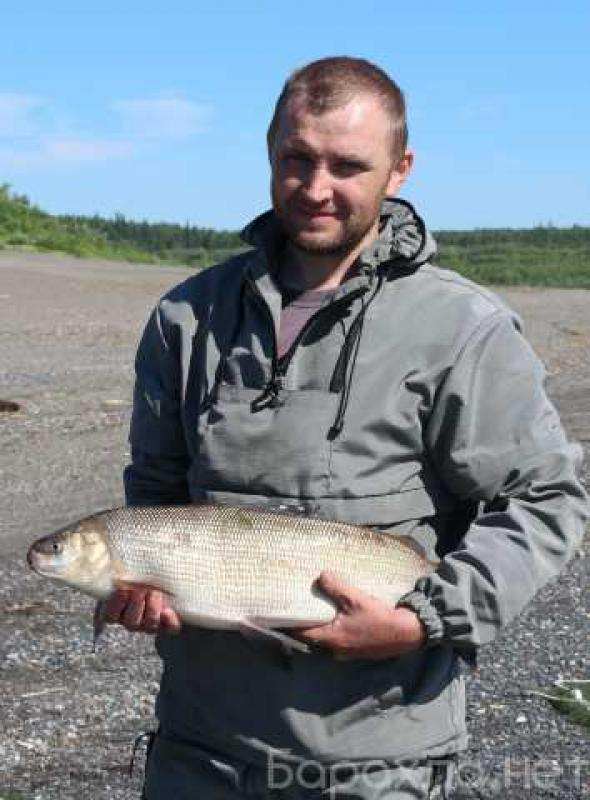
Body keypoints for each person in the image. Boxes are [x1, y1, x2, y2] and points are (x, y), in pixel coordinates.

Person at [105, 57, 588, 799]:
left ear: (400, 169)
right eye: (297, 159)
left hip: (375, 755)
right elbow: (157, 493)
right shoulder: (186, 317)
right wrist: (146, 585)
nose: (317, 188)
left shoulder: (462, 327)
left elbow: (547, 497)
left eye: (347, 165)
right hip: (201, 748)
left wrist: (428, 619)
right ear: (270, 152)